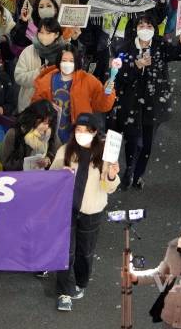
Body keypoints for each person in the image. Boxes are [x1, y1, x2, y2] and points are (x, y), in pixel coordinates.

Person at [111, 14, 181, 190]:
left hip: (154, 105)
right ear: (135, 29)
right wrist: (136, 66)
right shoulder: (125, 48)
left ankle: (138, 174)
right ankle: (128, 171)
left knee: (146, 145)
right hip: (131, 104)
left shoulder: (160, 45)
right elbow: (118, 78)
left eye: (149, 26)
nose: (145, 29)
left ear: (154, 29)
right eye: (141, 26)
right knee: (132, 142)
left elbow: (180, 54)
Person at [50, 113, 120, 312]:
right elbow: (51, 178)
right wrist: (59, 174)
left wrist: (112, 175)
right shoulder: (66, 151)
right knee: (65, 251)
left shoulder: (105, 155)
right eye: (78, 130)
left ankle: (81, 281)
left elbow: (109, 187)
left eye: (86, 131)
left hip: (91, 211)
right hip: (66, 210)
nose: (81, 134)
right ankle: (64, 291)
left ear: (95, 132)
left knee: (85, 252)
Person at [32, 46, 117, 143]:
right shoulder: (46, 80)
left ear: (76, 61)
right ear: (59, 61)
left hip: (78, 136)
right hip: (49, 135)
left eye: (71, 60)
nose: (67, 63)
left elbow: (102, 106)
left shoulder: (88, 80)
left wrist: (107, 92)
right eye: (64, 60)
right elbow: (35, 105)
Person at [14, 18, 66, 112]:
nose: (43, 36)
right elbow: (18, 77)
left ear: (57, 34)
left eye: (48, 33)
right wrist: (38, 73)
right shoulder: (28, 51)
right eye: (41, 32)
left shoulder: (64, 53)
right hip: (29, 104)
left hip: (54, 105)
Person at [0, 100, 59, 171]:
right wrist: (30, 163)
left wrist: (48, 159)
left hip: (41, 178)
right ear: (33, 118)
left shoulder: (49, 133)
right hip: (18, 178)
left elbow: (54, 153)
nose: (46, 126)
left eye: (48, 122)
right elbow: (5, 162)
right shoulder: (14, 133)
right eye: (43, 122)